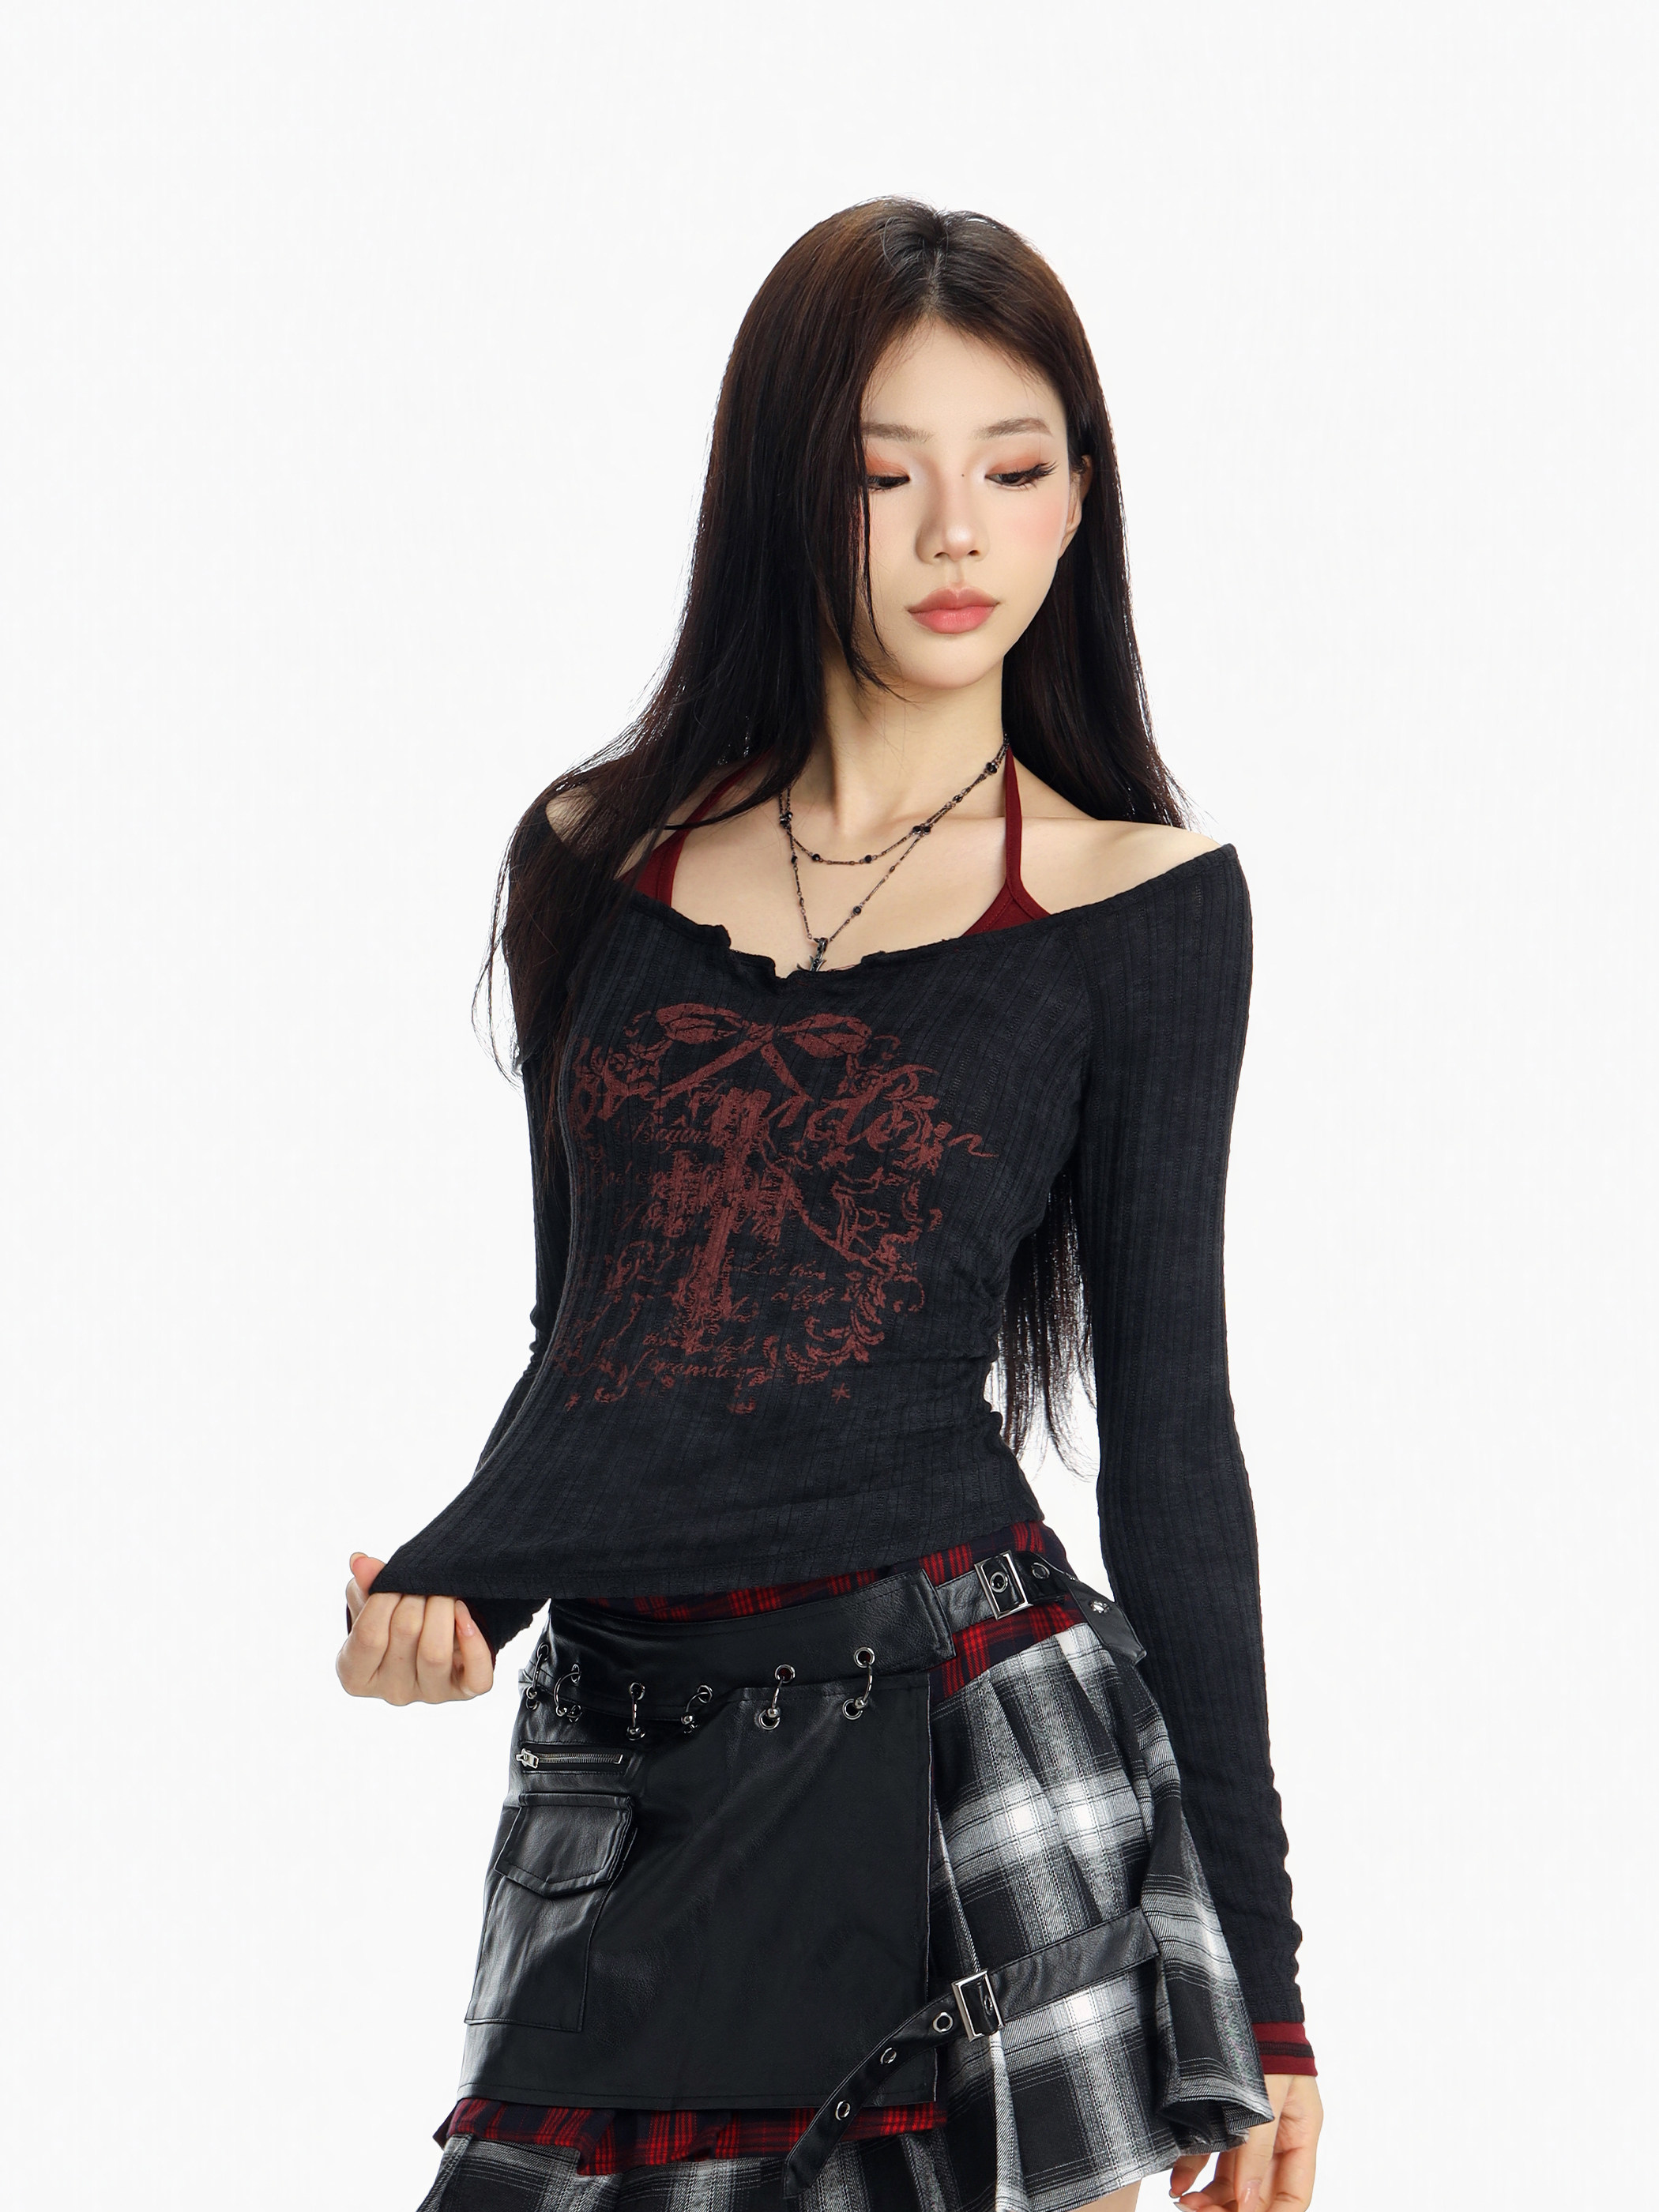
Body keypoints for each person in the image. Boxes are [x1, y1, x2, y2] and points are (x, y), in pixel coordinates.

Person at [337, 198, 1323, 2212]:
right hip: (626, 1757)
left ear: (1081, 501)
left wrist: (1267, 1982)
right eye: (886, 476)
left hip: (966, 1739)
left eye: (1015, 469)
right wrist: (467, 1583)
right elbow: (599, 1340)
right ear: (783, 494)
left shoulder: (1142, 905)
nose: (957, 532)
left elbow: (1175, 1441)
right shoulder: (589, 861)